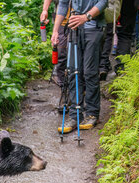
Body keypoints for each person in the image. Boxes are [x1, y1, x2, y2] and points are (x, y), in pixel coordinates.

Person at [51, 0, 108, 132]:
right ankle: (74, 115)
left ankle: (92, 113)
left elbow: (104, 2)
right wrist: (55, 31)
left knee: (89, 71)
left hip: (94, 28)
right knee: (72, 71)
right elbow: (63, 4)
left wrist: (85, 17)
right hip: (74, 29)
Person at [41, 0, 69, 88]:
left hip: (80, 21)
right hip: (61, 19)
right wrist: (45, 10)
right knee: (61, 49)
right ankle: (58, 75)